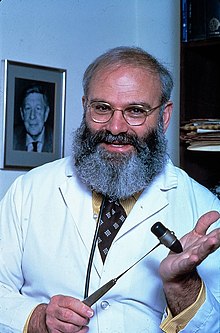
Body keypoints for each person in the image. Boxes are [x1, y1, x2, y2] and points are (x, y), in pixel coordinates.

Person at [0, 46, 219, 333]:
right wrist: (37, 319)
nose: (116, 127)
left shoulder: (204, 209)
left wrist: (183, 285)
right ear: (85, 106)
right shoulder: (28, 190)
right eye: (102, 108)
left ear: (164, 116)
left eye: (136, 111)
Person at [13, 84, 53, 153]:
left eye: (38, 109)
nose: (32, 116)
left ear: (46, 113)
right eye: (28, 108)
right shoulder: (11, 138)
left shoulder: (57, 140)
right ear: (22, 113)